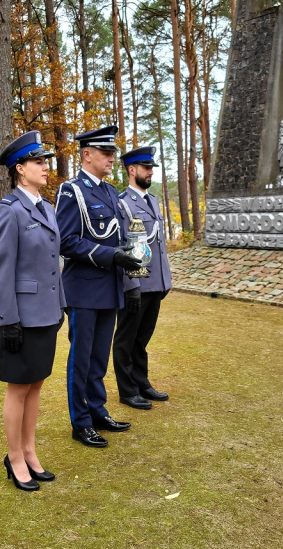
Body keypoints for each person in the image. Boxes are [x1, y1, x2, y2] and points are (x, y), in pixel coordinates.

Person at [55, 125, 143, 448]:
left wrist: (130, 262)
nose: (111, 159)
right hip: (83, 289)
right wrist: (111, 256)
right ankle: (80, 421)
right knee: (82, 356)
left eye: (113, 154)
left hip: (109, 287)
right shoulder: (71, 191)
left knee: (99, 357)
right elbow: (66, 241)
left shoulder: (108, 192)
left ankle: (97, 409)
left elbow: (121, 237)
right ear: (87, 154)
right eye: (106, 153)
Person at [0, 130, 66, 491]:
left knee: (36, 385)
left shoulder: (47, 208)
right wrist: (8, 320)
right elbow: (3, 269)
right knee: (18, 388)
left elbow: (54, 262)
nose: (45, 167)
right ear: (20, 168)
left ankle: (30, 451)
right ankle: (14, 457)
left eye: (45, 161)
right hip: (21, 314)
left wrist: (61, 304)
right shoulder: (11, 210)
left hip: (47, 313)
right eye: (38, 162)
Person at [113, 146, 172, 410]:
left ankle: (142, 382)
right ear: (132, 170)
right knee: (127, 338)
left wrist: (165, 281)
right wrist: (132, 284)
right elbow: (126, 245)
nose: (150, 173)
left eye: (152, 169)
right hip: (137, 282)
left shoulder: (153, 200)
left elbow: (158, 244)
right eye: (146, 168)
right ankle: (127, 390)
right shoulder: (123, 203)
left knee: (143, 337)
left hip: (155, 282)